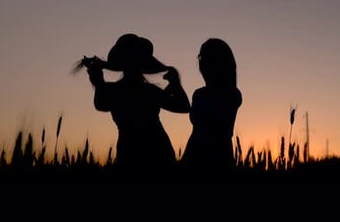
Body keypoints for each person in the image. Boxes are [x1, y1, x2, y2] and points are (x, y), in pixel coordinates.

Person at [76, 33, 190, 179]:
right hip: (159, 152)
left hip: (129, 152)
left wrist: (98, 81)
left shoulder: (114, 91)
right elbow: (183, 106)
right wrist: (175, 83)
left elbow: (100, 104)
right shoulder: (150, 91)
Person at [181, 38, 242, 178]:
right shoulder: (199, 94)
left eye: (205, 57)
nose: (201, 62)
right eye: (200, 57)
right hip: (194, 157)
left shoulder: (231, 94)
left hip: (217, 159)